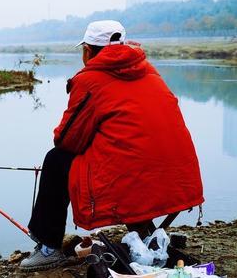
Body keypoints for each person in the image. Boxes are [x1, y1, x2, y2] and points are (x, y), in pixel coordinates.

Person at [20, 20, 204, 271]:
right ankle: (145, 232)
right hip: (180, 181)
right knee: (127, 154)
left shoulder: (90, 79)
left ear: (88, 50)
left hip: (137, 177)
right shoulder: (149, 71)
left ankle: (48, 248)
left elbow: (66, 140)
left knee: (56, 160)